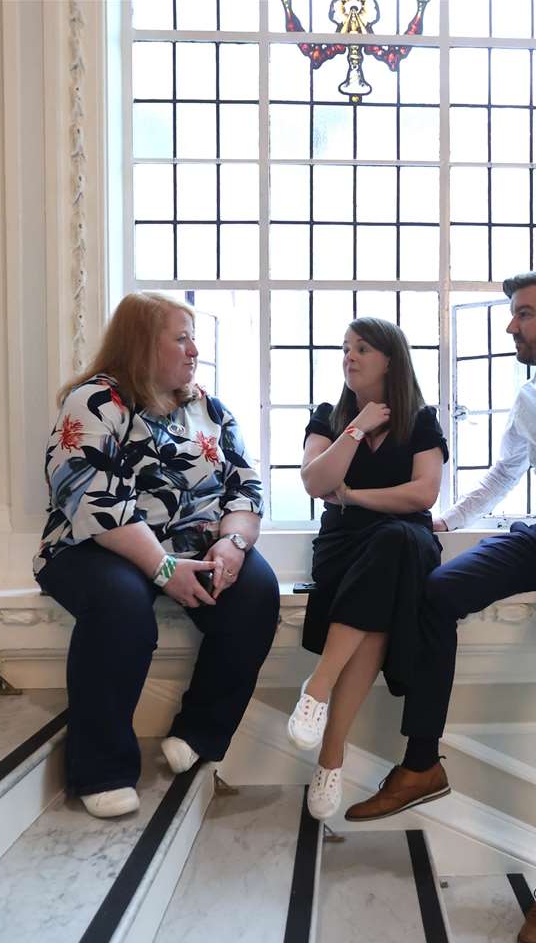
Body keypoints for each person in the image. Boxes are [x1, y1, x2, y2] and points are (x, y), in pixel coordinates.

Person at [344, 271, 536, 943]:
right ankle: (421, 763)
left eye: (523, 314)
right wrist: (443, 522)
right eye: (513, 315)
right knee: (433, 595)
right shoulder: (528, 395)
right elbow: (505, 475)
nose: (511, 326)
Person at [34, 293, 278, 819]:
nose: (195, 349)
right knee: (122, 607)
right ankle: (99, 769)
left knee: (257, 591)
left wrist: (232, 543)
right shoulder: (96, 401)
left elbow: (247, 490)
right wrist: (162, 567)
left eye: (193, 336)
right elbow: (90, 496)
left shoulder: (209, 409)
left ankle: (199, 733)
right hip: (95, 547)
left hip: (194, 545)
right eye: (181, 336)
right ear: (142, 343)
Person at [289, 317, 447, 820]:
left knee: (397, 541)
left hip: (404, 542)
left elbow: (424, 493)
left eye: (361, 348)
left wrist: (354, 496)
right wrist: (356, 429)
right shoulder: (329, 417)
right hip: (344, 548)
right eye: (345, 348)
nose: (349, 357)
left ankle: (317, 690)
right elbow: (316, 481)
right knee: (383, 583)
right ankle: (331, 756)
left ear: (390, 359)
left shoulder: (421, 418)